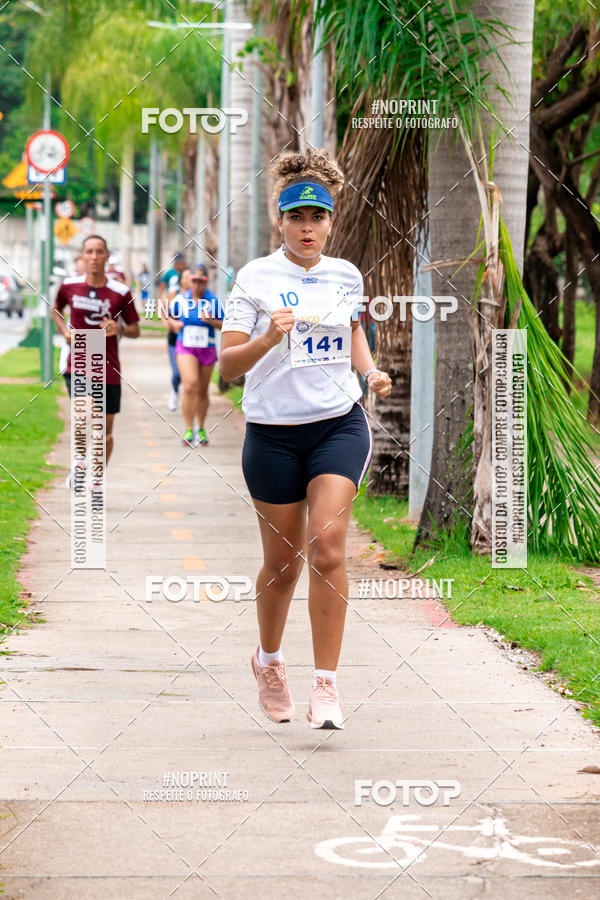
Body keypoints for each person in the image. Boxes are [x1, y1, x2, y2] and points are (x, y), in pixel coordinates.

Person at [219, 148, 392, 730]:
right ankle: (268, 660)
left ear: (331, 221)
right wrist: (268, 338)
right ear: (281, 221)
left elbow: (353, 333)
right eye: (297, 217)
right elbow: (226, 367)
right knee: (283, 564)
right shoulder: (254, 278)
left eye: (318, 216)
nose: (308, 227)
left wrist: (369, 373)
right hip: (272, 435)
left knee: (328, 547)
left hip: (338, 425)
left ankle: (327, 685)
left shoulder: (347, 276)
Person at [52, 234, 140, 488]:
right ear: (82, 256)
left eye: (99, 251)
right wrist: (64, 331)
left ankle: (97, 476)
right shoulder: (69, 286)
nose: (93, 256)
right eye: (88, 251)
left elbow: (135, 329)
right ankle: (80, 462)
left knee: (106, 431)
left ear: (107, 256)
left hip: (108, 366)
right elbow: (55, 309)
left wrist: (119, 329)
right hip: (77, 361)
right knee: (83, 413)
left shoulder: (120, 292)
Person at [168, 264, 224, 446]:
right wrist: (173, 325)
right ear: (189, 281)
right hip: (186, 347)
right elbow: (167, 316)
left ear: (206, 282)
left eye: (202, 282)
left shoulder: (213, 301)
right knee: (190, 384)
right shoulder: (181, 299)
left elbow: (226, 325)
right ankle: (188, 428)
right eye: (195, 281)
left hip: (207, 348)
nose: (198, 285)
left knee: (202, 390)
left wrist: (212, 322)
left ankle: (201, 427)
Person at [166, 266, 191, 411]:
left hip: (191, 341)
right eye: (185, 277)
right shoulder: (174, 295)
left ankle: (189, 402)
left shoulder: (197, 296)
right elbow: (164, 313)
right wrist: (172, 323)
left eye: (190, 276)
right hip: (174, 339)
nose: (188, 279)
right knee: (176, 373)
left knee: (189, 376)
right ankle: (175, 392)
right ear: (181, 280)